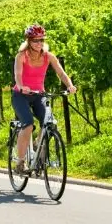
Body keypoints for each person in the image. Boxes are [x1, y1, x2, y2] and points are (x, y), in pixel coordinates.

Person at [12, 24, 77, 174]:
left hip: (38, 95)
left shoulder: (49, 56)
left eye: (41, 40)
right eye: (35, 40)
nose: (39, 43)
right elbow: (18, 75)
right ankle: (20, 163)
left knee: (50, 123)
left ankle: (37, 144)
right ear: (28, 41)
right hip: (21, 95)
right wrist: (21, 86)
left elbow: (61, 73)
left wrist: (70, 85)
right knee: (28, 125)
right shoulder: (21, 56)